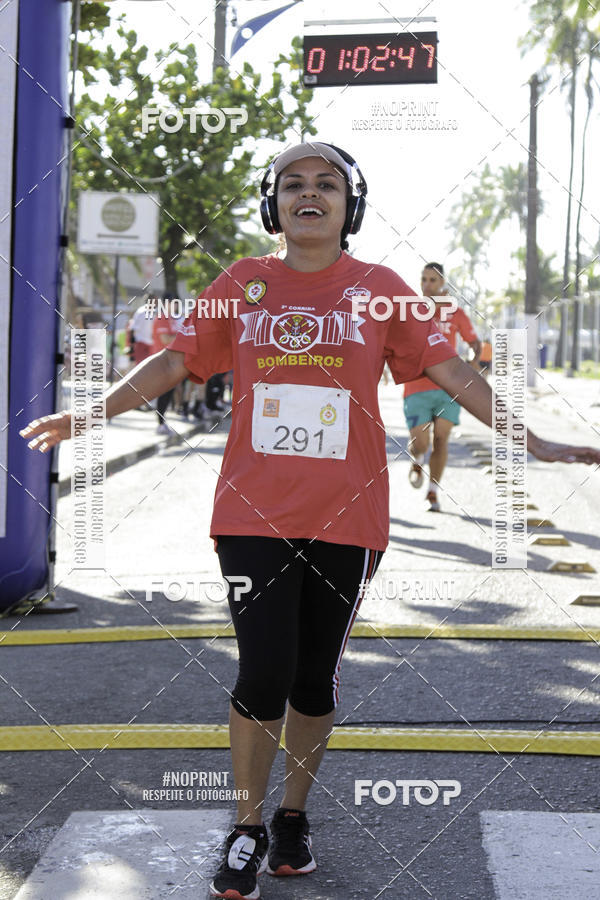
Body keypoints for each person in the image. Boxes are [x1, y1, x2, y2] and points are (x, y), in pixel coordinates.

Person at [20, 142, 600, 900]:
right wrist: (90, 410)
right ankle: (245, 827)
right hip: (251, 512)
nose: (309, 194)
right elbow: (175, 362)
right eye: (293, 184)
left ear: (348, 206)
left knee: (314, 678)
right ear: (274, 204)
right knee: (261, 670)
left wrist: (535, 439)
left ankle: (293, 816)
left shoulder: (382, 290)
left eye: (327, 184)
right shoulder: (243, 282)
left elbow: (453, 371)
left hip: (349, 516)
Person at [403, 263, 481, 512]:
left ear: (442, 283)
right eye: (423, 279)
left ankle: (433, 492)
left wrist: (473, 362)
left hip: (448, 388)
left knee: (441, 439)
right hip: (416, 386)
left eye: (433, 280)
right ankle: (417, 458)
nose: (427, 285)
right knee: (422, 443)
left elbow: (475, 343)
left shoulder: (455, 313)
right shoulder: (410, 311)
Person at [151, 293, 180, 434]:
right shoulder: (162, 318)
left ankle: (162, 422)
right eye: (173, 303)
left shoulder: (173, 319)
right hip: (162, 360)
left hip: (172, 360)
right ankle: (160, 424)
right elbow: (165, 339)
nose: (176, 306)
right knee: (164, 393)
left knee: (169, 392)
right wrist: (183, 335)